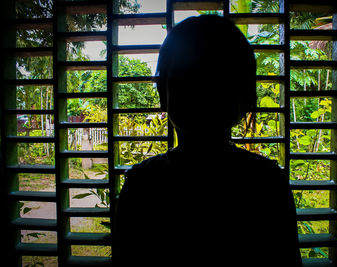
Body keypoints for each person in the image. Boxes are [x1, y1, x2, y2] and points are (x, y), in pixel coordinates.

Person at [114, 15, 302, 266]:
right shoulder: (266, 183)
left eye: (216, 80)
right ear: (246, 96)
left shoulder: (143, 185)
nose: (202, 94)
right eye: (190, 80)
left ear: (163, 93)